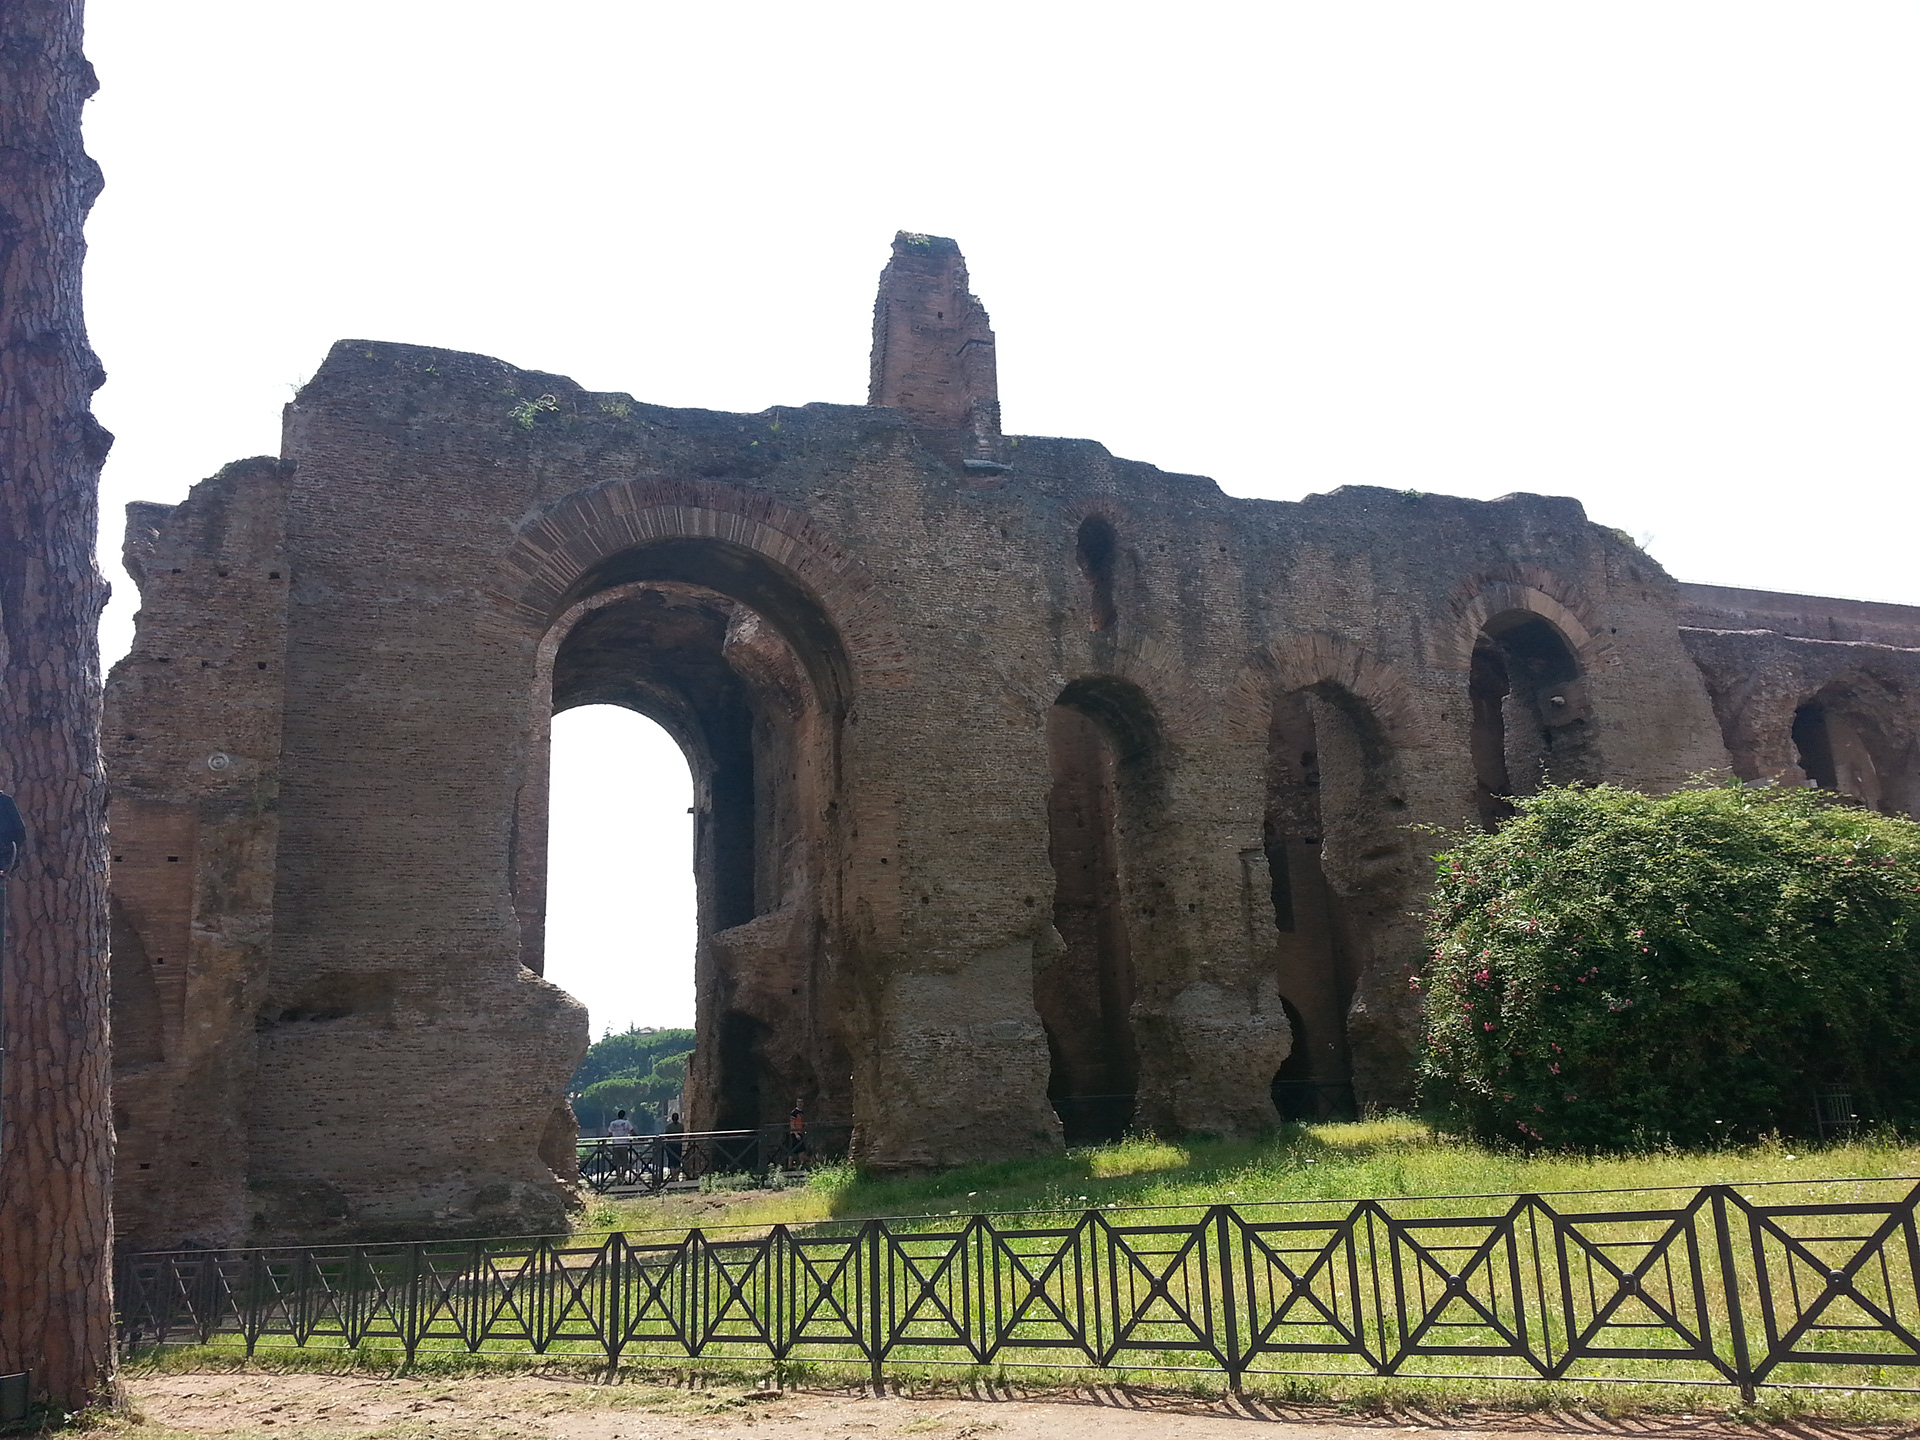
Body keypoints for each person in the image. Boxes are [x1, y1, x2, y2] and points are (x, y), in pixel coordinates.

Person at [785, 1096, 808, 1169]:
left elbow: (800, 1123)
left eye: (801, 1102)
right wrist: (796, 1134)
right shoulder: (794, 1113)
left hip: (800, 1132)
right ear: (796, 1103)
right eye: (798, 1102)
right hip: (795, 1133)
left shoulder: (802, 1112)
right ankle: (791, 1165)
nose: (800, 1103)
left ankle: (799, 1165)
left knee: (799, 1149)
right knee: (796, 1150)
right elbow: (792, 1124)